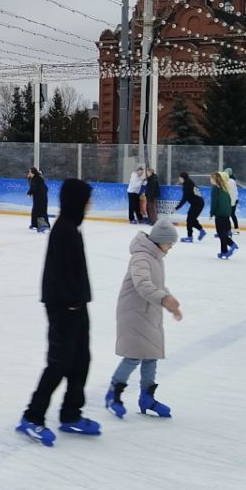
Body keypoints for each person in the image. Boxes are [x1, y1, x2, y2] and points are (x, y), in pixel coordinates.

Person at [17, 179, 98, 445]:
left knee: (81, 361)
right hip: (64, 308)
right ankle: (32, 417)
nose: (90, 204)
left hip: (76, 306)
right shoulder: (64, 231)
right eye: (86, 199)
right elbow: (57, 275)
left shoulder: (71, 228)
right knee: (59, 364)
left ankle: (71, 414)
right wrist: (71, 302)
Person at [104, 217, 183, 419]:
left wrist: (171, 305)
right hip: (133, 314)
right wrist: (165, 299)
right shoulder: (141, 257)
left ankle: (147, 397)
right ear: (159, 241)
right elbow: (143, 286)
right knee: (133, 356)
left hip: (148, 313)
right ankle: (114, 393)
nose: (171, 247)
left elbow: (157, 286)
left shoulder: (155, 258)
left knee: (151, 356)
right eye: (169, 243)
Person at [209, 171, 236, 259]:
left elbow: (214, 202)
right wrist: (228, 212)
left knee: (220, 233)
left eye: (211, 178)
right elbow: (229, 200)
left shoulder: (215, 188)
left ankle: (232, 245)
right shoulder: (224, 187)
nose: (210, 180)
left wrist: (211, 213)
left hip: (220, 214)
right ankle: (224, 251)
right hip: (226, 213)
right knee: (223, 233)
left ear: (215, 179)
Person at [173, 172, 205, 243]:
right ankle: (201, 231)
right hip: (198, 203)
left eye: (180, 178)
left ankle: (190, 236)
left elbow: (184, 199)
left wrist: (177, 207)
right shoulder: (189, 183)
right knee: (191, 219)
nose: (179, 179)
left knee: (190, 220)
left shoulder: (187, 186)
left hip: (197, 204)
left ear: (183, 178)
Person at [27, 167, 50, 233]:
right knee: (35, 210)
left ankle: (43, 226)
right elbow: (33, 185)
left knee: (40, 211)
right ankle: (35, 224)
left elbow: (34, 187)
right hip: (40, 197)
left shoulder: (36, 178)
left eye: (30, 172)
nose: (29, 173)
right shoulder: (36, 178)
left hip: (40, 198)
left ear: (33, 172)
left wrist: (29, 192)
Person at [225, 168, 240, 232]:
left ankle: (229, 229)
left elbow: (231, 192)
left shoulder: (230, 181)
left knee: (229, 214)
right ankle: (234, 229)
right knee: (231, 214)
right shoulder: (232, 181)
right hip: (233, 199)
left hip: (232, 200)